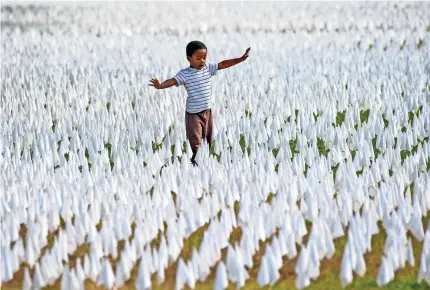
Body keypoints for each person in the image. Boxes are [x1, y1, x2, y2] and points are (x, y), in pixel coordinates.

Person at [149, 41, 251, 166]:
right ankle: (195, 162)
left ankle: (204, 160)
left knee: (208, 139)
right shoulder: (185, 74)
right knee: (196, 139)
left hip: (207, 111)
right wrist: (160, 85)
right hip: (193, 113)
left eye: (204, 57)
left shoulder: (208, 69)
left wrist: (240, 59)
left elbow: (223, 64)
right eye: (198, 58)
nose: (202, 61)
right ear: (189, 59)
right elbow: (173, 81)